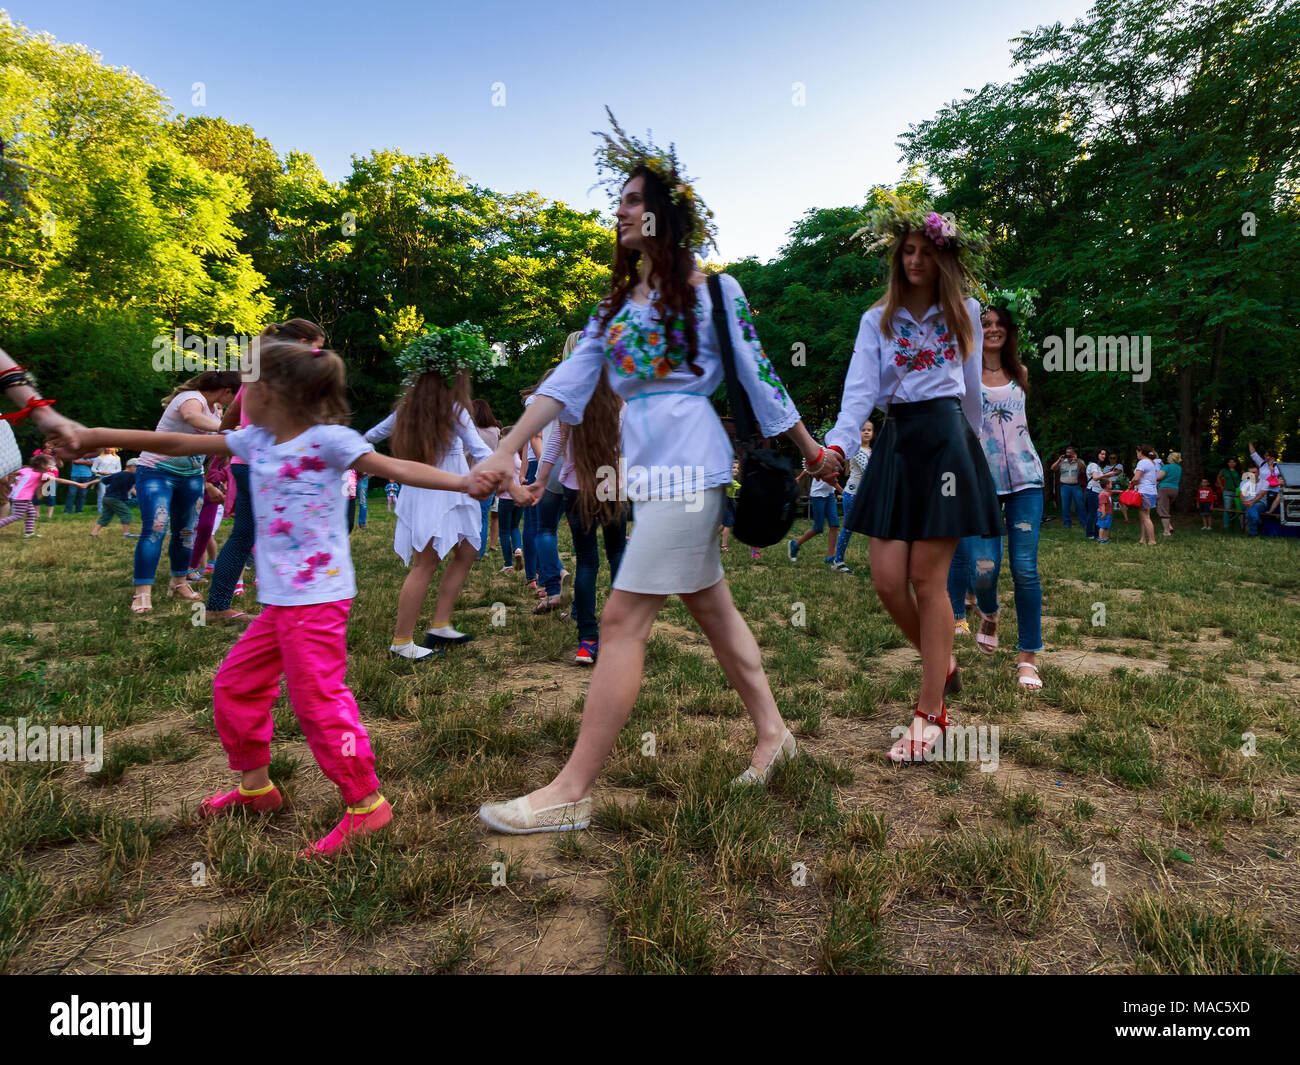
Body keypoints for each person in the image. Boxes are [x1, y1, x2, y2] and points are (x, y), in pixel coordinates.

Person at [474, 129, 829, 834]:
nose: (622, 211)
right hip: (649, 473)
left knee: (620, 620)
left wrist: (811, 450)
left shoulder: (715, 292)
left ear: (666, 213)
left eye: (634, 200)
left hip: (695, 469)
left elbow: (760, 377)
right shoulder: (611, 312)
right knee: (714, 612)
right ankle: (775, 735)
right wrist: (506, 452)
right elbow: (562, 388)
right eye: (619, 202)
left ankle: (571, 788)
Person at [57, 338, 492, 857]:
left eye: (246, 386)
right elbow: (177, 446)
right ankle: (256, 789)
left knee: (318, 701)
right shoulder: (254, 441)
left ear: (273, 393)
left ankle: (366, 804)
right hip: (282, 603)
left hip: (318, 599)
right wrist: (93, 437)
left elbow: (396, 469)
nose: (237, 398)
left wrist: (466, 482)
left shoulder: (331, 440)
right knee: (235, 684)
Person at [825, 195, 1001, 761]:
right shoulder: (875, 319)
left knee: (929, 582)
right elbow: (858, 394)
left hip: (947, 440)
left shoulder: (966, 312)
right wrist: (838, 444)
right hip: (897, 441)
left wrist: (973, 457)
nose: (915, 261)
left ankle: (931, 715)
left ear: (943, 258)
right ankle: (941, 658)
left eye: (925, 251)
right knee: (885, 579)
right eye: (907, 251)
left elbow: (972, 390)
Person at [366, 324, 529, 660]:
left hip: (452, 490)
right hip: (433, 487)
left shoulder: (416, 408)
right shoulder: (447, 408)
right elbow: (482, 453)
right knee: (426, 564)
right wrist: (512, 484)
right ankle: (401, 641)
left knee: (469, 551)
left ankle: (440, 624)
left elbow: (369, 436)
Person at [944, 295, 1045, 692]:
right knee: (982, 570)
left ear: (1009, 331)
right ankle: (988, 611)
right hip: (979, 484)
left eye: (1000, 323)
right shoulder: (962, 378)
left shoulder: (1020, 372)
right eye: (985, 323)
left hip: (1025, 482)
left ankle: (1027, 659)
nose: (993, 328)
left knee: (1025, 569)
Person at [207, 320, 326, 625]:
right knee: (290, 533)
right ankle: (295, 605)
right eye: (317, 347)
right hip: (272, 465)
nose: (318, 354)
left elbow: (233, 414)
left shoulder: (257, 372)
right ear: (302, 341)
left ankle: (218, 605)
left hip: (246, 463)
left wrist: (225, 445)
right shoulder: (288, 374)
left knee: (244, 535)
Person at [130, 369, 240, 613]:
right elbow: (191, 417)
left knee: (186, 531)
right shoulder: (191, 399)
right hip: (156, 471)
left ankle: (179, 582)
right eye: (236, 395)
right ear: (227, 391)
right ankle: (142, 593)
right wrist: (225, 428)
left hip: (191, 476)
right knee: (155, 528)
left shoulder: (215, 410)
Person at [532, 368, 625, 652]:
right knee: (618, 555)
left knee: (587, 561)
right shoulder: (622, 405)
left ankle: (587, 639)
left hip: (576, 487)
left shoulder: (570, 404)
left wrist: (540, 481)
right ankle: (622, 632)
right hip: (611, 483)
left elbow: (552, 447)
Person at [1, 454, 92, 536]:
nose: (51, 466)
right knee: (17, 516)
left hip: (20, 496)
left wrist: (11, 481)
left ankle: (29, 533)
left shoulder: (26, 469)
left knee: (31, 513)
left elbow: (12, 473)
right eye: (49, 464)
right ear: (42, 465)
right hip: (21, 497)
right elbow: (60, 480)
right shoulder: (42, 475)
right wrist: (78, 484)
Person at [831, 422, 873, 573]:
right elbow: (870, 472)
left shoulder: (869, 450)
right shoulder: (859, 451)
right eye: (863, 430)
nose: (867, 432)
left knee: (874, 527)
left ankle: (878, 561)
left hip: (862, 496)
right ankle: (838, 561)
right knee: (848, 528)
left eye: (869, 430)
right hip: (853, 495)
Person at [789, 466, 840, 563]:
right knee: (818, 527)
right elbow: (809, 466)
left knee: (834, 525)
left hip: (830, 493)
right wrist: (799, 477)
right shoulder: (823, 452)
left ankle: (830, 557)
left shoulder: (838, 455)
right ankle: (795, 545)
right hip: (818, 494)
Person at [472, 398, 501, 559]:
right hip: (491, 476)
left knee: (469, 516)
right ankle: (479, 552)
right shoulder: (496, 431)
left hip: (473, 475)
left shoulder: (473, 430)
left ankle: (467, 549)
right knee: (483, 517)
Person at [90, 458, 138, 538]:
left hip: (106, 498)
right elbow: (133, 489)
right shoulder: (132, 475)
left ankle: (93, 533)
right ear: (132, 466)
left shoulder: (117, 474)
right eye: (138, 467)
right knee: (126, 514)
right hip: (116, 499)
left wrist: (88, 483)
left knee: (105, 516)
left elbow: (103, 480)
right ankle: (125, 534)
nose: (139, 470)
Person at [1130, 446, 1161, 545]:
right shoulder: (1153, 462)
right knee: (1143, 516)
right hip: (1151, 491)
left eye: (1137, 452)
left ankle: (1152, 540)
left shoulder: (1143, 462)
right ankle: (1143, 539)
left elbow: (1136, 479)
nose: (1137, 455)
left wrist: (1130, 485)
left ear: (1141, 452)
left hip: (1144, 491)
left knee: (1145, 516)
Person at [1051, 446, 1083, 529]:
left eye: (1070, 453)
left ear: (1074, 453)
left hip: (1076, 486)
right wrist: (1059, 460)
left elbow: (1083, 469)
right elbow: (1052, 468)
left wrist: (1077, 460)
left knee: (1080, 505)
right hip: (1065, 486)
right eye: (1067, 453)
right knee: (1065, 506)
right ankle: (1067, 524)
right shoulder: (1062, 461)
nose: (1068, 454)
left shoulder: (1079, 461)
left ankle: (1084, 523)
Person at [1156, 450, 1182, 537]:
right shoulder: (1179, 468)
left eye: (1168, 457)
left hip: (1164, 489)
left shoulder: (1166, 467)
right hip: (1174, 490)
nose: (1167, 458)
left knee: (1163, 510)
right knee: (1165, 508)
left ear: (1172, 458)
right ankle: (1169, 526)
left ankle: (1166, 532)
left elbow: (1159, 477)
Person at [1249, 441, 1280, 509]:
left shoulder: (1278, 466)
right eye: (1265, 455)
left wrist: (1271, 468)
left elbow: (1276, 477)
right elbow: (1254, 454)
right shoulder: (1262, 464)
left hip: (1273, 492)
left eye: (1267, 455)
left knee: (1271, 510)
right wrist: (1250, 441)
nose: (1265, 456)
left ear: (1272, 456)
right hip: (1261, 491)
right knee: (1261, 510)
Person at [1083, 448, 1105, 541]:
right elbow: (1095, 477)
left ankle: (1096, 534)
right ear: (1097, 455)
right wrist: (1107, 475)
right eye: (1102, 454)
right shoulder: (1093, 465)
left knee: (1096, 513)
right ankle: (1089, 534)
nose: (1104, 456)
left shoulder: (1097, 466)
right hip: (1092, 491)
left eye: (1105, 454)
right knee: (1093, 513)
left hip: (1097, 491)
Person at [91, 448, 122, 513]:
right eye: (107, 447)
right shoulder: (99, 458)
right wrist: (100, 472)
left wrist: (110, 472)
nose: (109, 449)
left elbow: (119, 469)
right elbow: (93, 469)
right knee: (101, 494)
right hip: (101, 478)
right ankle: (101, 510)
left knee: (112, 494)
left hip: (112, 478)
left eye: (111, 447)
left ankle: (111, 510)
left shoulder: (117, 458)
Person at [1241, 467, 1270, 536]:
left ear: (1258, 473)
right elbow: (1242, 495)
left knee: (1250, 510)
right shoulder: (1243, 482)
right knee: (1250, 509)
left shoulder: (1265, 482)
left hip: (1260, 503)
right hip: (1246, 503)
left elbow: (1261, 495)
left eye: (1254, 472)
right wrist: (1244, 502)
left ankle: (1252, 532)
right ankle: (1258, 521)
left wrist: (1251, 502)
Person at [1217, 457, 1242, 531]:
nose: (1231, 463)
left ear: (1236, 463)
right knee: (1227, 509)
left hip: (1238, 491)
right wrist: (1221, 487)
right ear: (1227, 463)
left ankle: (1242, 526)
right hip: (1227, 491)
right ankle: (1226, 526)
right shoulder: (1224, 470)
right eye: (1230, 462)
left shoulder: (1239, 471)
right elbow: (1218, 477)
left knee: (1239, 509)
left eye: (1233, 462)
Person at [1096, 476, 1114, 544]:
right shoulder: (1103, 494)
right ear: (1107, 485)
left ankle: (1105, 538)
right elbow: (1102, 505)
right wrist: (1103, 514)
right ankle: (1101, 539)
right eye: (1110, 484)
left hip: (1108, 513)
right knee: (1102, 526)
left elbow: (1113, 491)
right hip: (1104, 513)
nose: (1111, 485)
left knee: (1106, 526)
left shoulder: (1107, 492)